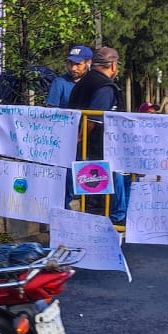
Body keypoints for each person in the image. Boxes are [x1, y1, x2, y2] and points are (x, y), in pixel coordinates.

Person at [69, 47, 127, 222]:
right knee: (97, 200)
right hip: (97, 152)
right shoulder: (104, 87)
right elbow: (92, 120)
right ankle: (107, 225)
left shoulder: (82, 83)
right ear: (113, 65)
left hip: (86, 149)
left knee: (90, 196)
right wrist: (80, 138)